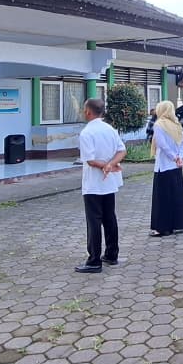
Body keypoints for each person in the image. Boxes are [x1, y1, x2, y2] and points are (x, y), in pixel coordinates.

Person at [74, 99, 125, 274]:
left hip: (94, 183)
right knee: (109, 217)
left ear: (88, 112)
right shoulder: (109, 129)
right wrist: (111, 164)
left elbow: (89, 160)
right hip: (109, 182)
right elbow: (122, 151)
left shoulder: (87, 132)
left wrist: (106, 165)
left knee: (94, 220)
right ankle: (112, 254)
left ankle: (94, 260)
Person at [148, 101, 183, 237]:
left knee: (162, 198)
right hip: (176, 166)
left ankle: (162, 227)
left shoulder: (159, 124)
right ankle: (178, 224)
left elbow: (162, 145)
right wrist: (180, 157)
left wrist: (173, 157)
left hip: (164, 166)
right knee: (176, 195)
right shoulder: (176, 124)